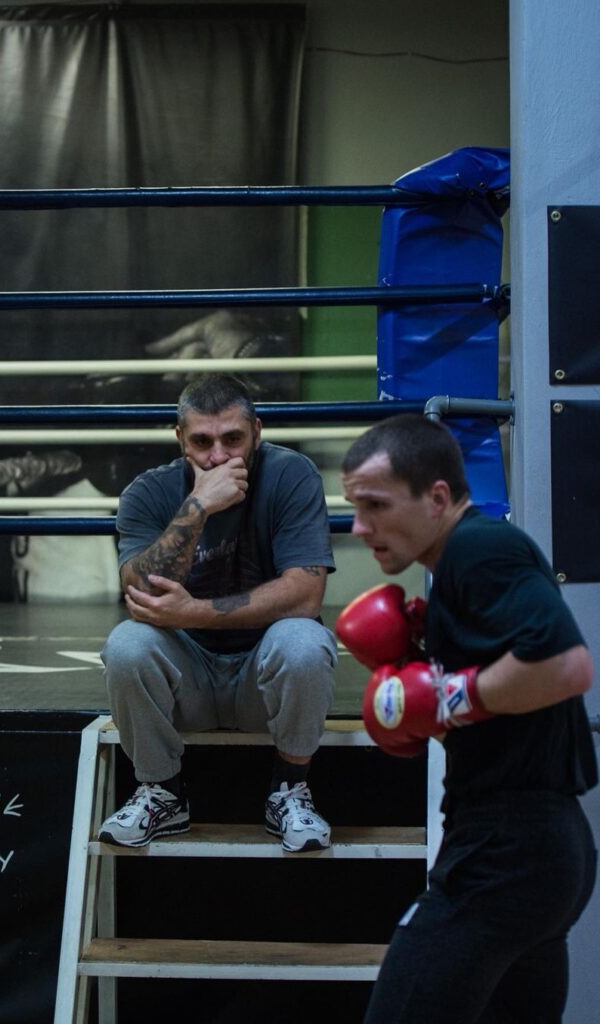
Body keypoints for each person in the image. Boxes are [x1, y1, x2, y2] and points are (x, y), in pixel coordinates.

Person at [338, 413, 597, 1024]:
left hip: (505, 853)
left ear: (437, 497)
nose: (359, 526)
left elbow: (567, 666)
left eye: (376, 505)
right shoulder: (458, 566)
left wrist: (444, 697)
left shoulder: (481, 548)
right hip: (540, 849)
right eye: (355, 507)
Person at [99, 374, 337, 852]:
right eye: (202, 442)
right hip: (189, 684)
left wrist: (193, 611)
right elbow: (143, 593)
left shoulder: (292, 475)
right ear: (179, 439)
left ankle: (289, 788)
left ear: (257, 432)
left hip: (263, 682)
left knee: (304, 641)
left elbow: (305, 596)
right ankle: (162, 793)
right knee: (125, 644)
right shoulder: (148, 492)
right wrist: (198, 505)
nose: (218, 457)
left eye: (233, 439)